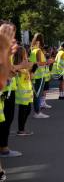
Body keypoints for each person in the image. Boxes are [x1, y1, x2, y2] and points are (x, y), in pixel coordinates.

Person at [0, 21, 18, 181]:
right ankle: (4, 148)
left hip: (7, 90)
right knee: (5, 120)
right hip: (4, 92)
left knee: (7, 119)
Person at [29, 33, 51, 117]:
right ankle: (37, 112)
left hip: (35, 74)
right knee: (37, 94)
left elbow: (35, 63)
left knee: (36, 94)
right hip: (39, 75)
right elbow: (39, 63)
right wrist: (48, 62)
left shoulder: (33, 50)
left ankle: (37, 111)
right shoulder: (38, 50)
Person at [14, 46, 34, 136]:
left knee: (28, 110)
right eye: (25, 53)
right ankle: (21, 130)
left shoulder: (24, 65)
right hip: (22, 91)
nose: (26, 54)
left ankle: (22, 129)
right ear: (22, 54)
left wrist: (32, 70)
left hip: (27, 91)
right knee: (23, 110)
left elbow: (29, 77)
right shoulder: (18, 67)